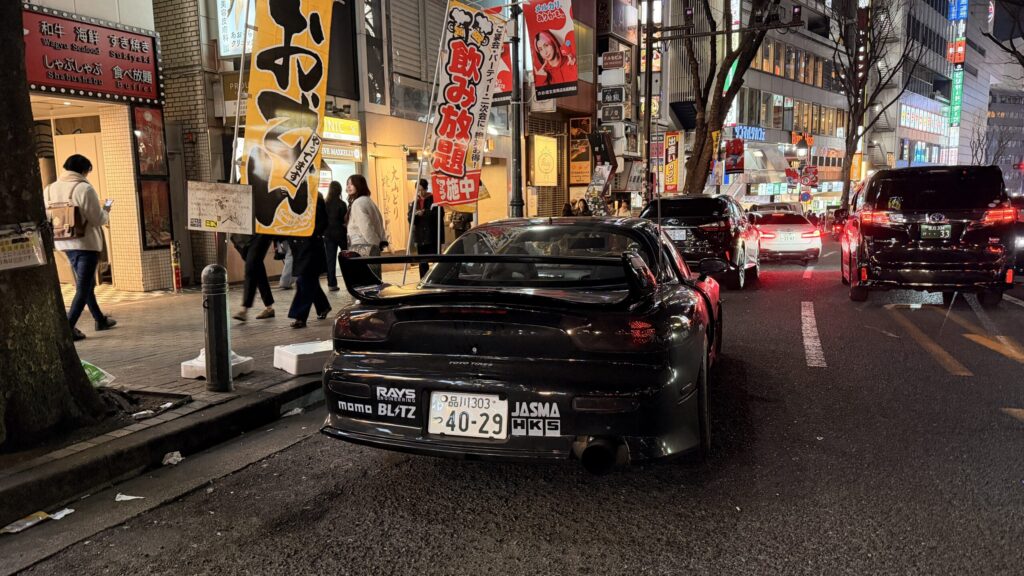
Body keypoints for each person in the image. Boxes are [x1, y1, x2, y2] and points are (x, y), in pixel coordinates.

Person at [45, 154, 116, 341]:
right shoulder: (84, 188)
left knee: (87, 284)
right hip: (86, 245)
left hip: (64, 243)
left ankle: (100, 319)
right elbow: (98, 219)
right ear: (85, 170)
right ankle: (68, 328)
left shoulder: (49, 189)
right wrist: (106, 209)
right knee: (84, 287)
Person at [288, 193, 331, 328]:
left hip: (311, 247)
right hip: (299, 247)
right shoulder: (292, 196)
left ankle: (300, 316)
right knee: (309, 281)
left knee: (303, 281)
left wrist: (312, 232)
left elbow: (323, 222)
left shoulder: (315, 198)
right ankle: (323, 306)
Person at [346, 174, 387, 280]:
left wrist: (375, 244)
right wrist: (380, 241)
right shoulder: (368, 201)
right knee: (374, 278)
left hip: (362, 247)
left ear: (359, 185)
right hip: (371, 246)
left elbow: (366, 227)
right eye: (348, 184)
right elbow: (379, 222)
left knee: (364, 280)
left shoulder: (358, 203)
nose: (348, 186)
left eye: (352, 184)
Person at [231, 233, 275, 321]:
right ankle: (269, 308)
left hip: (260, 233)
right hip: (241, 237)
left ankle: (245, 310)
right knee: (257, 269)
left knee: (251, 268)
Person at [408, 179, 443, 277]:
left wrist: (424, 213)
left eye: (421, 190)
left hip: (432, 236)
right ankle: (423, 280)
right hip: (420, 237)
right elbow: (410, 218)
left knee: (435, 261)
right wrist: (415, 215)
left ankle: (436, 279)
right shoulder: (415, 201)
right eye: (417, 190)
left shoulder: (434, 199)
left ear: (426, 189)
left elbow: (440, 214)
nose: (419, 192)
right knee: (422, 262)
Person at [323, 181, 348, 292]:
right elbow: (345, 220)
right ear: (339, 190)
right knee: (346, 259)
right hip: (341, 233)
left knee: (330, 260)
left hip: (328, 235)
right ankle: (350, 282)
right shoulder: (342, 204)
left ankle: (332, 284)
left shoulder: (324, 203)